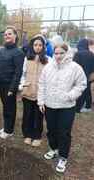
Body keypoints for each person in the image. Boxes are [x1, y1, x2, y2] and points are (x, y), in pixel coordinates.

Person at [37, 43, 86, 173]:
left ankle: (63, 156)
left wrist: (71, 96)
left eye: (61, 53)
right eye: (56, 53)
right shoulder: (48, 67)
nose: (58, 56)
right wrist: (41, 101)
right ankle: (53, 149)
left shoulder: (75, 67)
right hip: (50, 104)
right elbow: (41, 84)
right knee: (51, 129)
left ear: (67, 53)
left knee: (64, 132)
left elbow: (81, 84)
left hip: (66, 106)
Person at [19, 34, 50, 146]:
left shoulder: (47, 60)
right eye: (35, 45)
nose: (37, 47)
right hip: (28, 91)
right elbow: (23, 74)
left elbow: (49, 77)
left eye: (40, 45)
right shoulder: (27, 59)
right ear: (32, 46)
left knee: (38, 115)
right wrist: (22, 85)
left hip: (40, 93)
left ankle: (37, 136)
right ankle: (27, 134)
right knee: (28, 114)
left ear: (43, 47)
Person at [0, 26, 24, 139]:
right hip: (1, 84)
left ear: (15, 36)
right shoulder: (1, 50)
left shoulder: (18, 52)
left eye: (10, 34)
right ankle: (6, 126)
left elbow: (18, 72)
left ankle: (9, 130)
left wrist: (12, 88)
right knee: (5, 106)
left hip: (10, 85)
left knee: (10, 107)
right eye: (6, 34)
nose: (7, 36)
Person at [74, 38, 94, 113]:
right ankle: (88, 106)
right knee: (87, 89)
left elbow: (74, 66)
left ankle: (78, 108)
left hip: (79, 76)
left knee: (79, 91)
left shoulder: (78, 54)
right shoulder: (91, 54)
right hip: (89, 76)